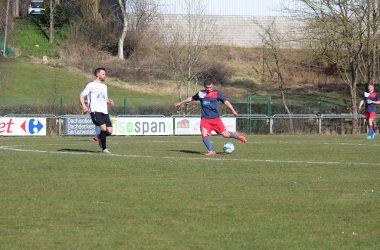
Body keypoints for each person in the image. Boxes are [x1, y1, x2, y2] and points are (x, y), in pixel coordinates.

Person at [175, 80, 247, 155]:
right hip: (205, 119)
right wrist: (181, 102)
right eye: (207, 88)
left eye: (210, 87)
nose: (209, 89)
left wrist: (233, 110)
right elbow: (191, 98)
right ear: (204, 87)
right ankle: (211, 151)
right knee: (204, 133)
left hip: (216, 119)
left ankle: (238, 137)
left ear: (212, 86)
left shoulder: (217, 94)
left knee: (225, 135)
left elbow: (226, 102)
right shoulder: (201, 93)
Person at [80, 68, 114, 153]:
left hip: (104, 111)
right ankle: (104, 148)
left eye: (105, 74)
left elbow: (105, 99)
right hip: (95, 110)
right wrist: (84, 106)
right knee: (103, 128)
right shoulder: (91, 85)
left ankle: (99, 137)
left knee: (109, 131)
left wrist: (109, 101)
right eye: (103, 74)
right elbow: (81, 95)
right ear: (98, 74)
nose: (104, 75)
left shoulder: (104, 86)